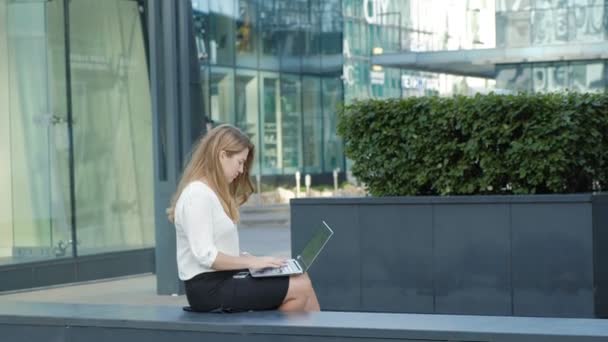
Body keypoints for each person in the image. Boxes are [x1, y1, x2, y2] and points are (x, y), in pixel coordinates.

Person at [166, 124, 320, 313]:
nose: (241, 170)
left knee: (301, 279)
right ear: (222, 155)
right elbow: (206, 255)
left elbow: (219, 249)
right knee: (300, 288)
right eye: (240, 162)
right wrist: (252, 263)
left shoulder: (210, 193)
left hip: (224, 279)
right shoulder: (197, 195)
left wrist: (260, 261)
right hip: (208, 290)